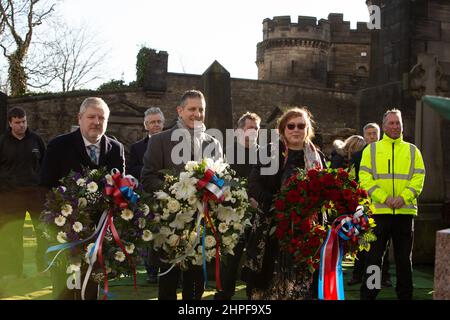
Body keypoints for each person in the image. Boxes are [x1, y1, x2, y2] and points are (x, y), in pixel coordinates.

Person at [40, 97, 125, 300]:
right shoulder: (59, 145)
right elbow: (45, 185)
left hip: (99, 233)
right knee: (65, 287)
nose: (96, 121)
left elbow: (119, 189)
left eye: (101, 118)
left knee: (91, 285)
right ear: (80, 118)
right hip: (65, 231)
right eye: (91, 116)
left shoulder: (116, 148)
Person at [141, 89, 223, 300]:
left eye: (201, 109)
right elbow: (148, 179)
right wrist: (178, 193)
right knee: (168, 285)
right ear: (180, 110)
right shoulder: (159, 140)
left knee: (196, 287)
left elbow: (221, 179)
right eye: (192, 109)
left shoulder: (213, 143)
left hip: (202, 226)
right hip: (171, 225)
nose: (197, 114)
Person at [244, 107, 327, 300]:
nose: (296, 129)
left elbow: (325, 189)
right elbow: (254, 184)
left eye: (301, 125)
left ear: (307, 129)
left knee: (302, 280)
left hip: (306, 229)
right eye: (291, 126)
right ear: (283, 129)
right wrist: (276, 203)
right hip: (272, 227)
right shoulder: (269, 153)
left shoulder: (317, 157)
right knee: (269, 284)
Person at [359, 109, 425, 300]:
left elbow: (418, 178)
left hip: (404, 212)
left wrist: (403, 197)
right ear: (384, 125)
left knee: (404, 260)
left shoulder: (413, 151)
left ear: (402, 125)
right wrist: (384, 198)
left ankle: (405, 296)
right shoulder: (371, 150)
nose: (395, 126)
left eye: (398, 123)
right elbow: (364, 178)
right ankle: (369, 295)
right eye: (392, 123)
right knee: (373, 259)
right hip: (378, 212)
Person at [214, 112, 261, 300]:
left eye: (256, 128)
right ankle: (224, 296)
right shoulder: (227, 153)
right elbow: (224, 182)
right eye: (249, 128)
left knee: (256, 257)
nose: (253, 132)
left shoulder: (265, 153)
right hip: (233, 213)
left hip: (258, 212)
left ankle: (254, 295)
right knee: (230, 259)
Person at [0, 107, 46, 281]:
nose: (21, 125)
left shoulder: (36, 140)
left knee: (42, 232)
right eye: (17, 122)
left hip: (35, 194)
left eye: (24, 121)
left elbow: (45, 164)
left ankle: (43, 268)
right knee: (12, 234)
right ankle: (13, 272)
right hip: (10, 196)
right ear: (10, 123)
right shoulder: (2, 141)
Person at [347, 123, 393, 288]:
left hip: (383, 203)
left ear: (379, 135)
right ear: (364, 136)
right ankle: (357, 274)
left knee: (383, 242)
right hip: (363, 203)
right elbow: (352, 179)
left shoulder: (388, 153)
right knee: (362, 240)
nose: (372, 136)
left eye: (375, 133)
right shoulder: (358, 156)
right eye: (369, 134)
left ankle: (384, 277)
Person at [129, 107, 165, 284]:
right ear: (146, 125)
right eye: (152, 122)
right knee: (148, 232)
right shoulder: (136, 148)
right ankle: (151, 271)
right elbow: (131, 169)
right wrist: (149, 170)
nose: (156, 124)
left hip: (167, 194)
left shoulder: (172, 143)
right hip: (145, 195)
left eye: (159, 121)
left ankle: (168, 269)